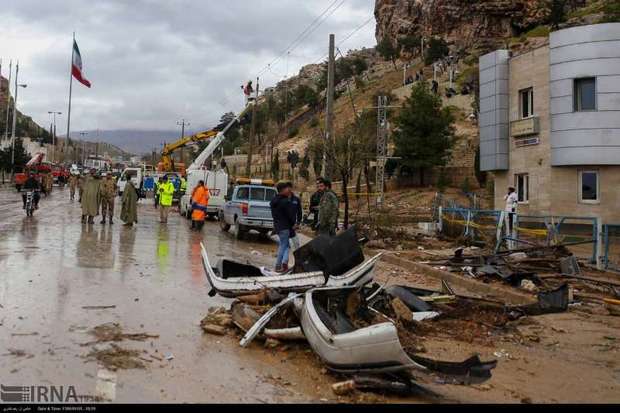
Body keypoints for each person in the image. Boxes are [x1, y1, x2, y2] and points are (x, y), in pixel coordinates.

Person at [270, 182, 296, 273]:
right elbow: (290, 215)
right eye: (286, 189)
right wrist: (293, 223)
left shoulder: (274, 200)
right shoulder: (285, 202)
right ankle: (278, 265)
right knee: (283, 246)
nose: (288, 190)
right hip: (285, 227)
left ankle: (283, 264)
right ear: (282, 190)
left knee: (285, 245)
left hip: (278, 226)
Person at [288, 184, 303, 251]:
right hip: (284, 225)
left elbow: (299, 212)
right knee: (285, 244)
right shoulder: (282, 199)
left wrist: (298, 223)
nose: (288, 189)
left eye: (289, 188)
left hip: (293, 225)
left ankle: (298, 256)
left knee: (296, 244)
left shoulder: (296, 199)